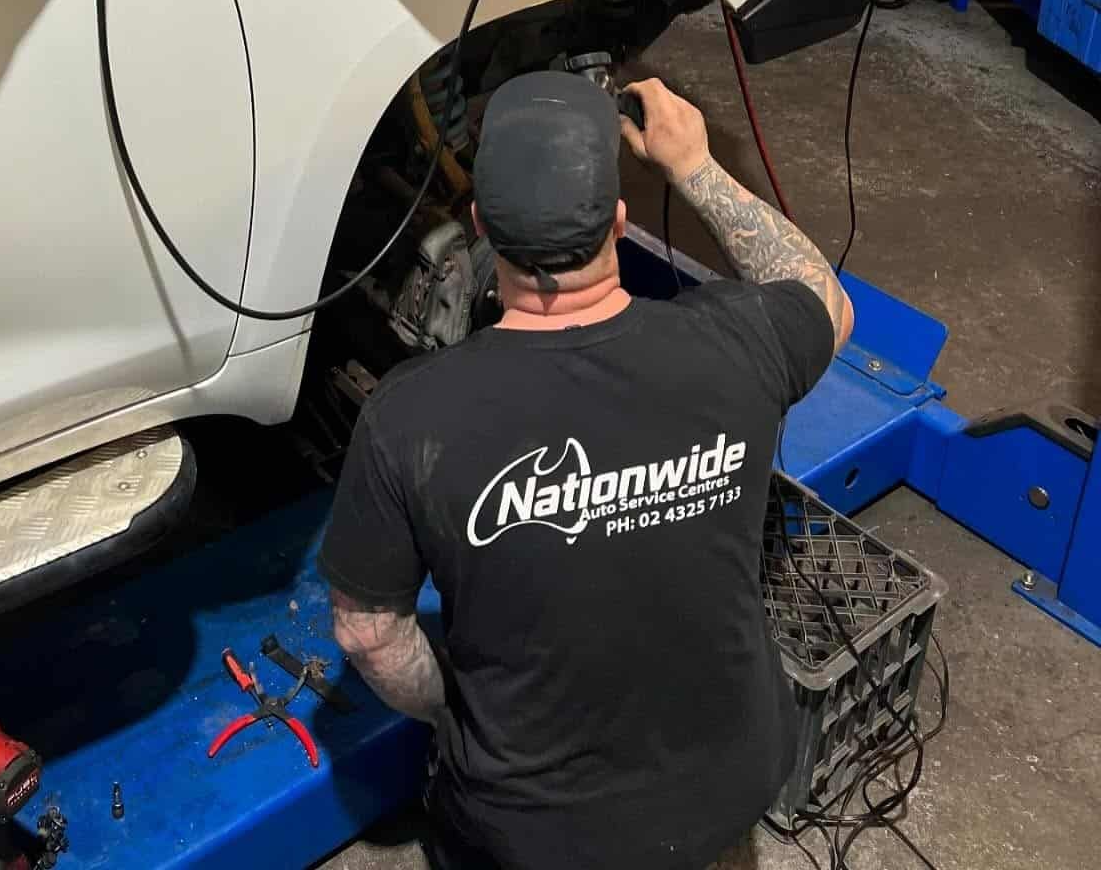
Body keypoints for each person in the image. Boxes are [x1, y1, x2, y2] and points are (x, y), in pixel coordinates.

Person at [319, 70, 853, 870]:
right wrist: (695, 165)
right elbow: (826, 298)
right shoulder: (739, 343)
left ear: (479, 229)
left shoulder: (409, 417)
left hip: (531, 836)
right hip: (724, 797)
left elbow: (367, 633)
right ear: (619, 220)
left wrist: (452, 714)